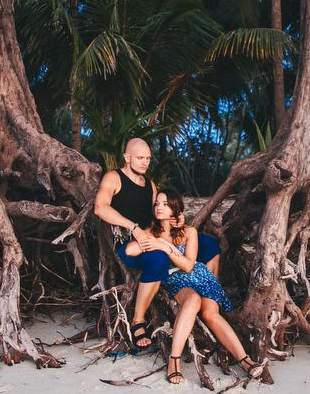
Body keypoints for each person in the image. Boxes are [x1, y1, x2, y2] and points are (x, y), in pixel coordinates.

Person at [93, 139, 222, 352]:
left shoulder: (149, 184)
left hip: (155, 237)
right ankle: (138, 320)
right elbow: (100, 208)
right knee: (159, 258)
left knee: (210, 244)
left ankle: (209, 302)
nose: (145, 162)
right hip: (130, 242)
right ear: (127, 157)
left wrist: (177, 220)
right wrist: (133, 227)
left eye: (148, 158)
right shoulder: (114, 178)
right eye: (140, 158)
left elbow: (160, 209)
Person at [141, 190, 260, 385]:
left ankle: (245, 360)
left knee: (211, 314)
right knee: (193, 299)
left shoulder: (189, 232)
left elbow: (189, 265)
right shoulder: (148, 232)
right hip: (174, 278)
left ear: (175, 208)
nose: (159, 207)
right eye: (156, 204)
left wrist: (165, 247)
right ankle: (174, 359)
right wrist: (163, 245)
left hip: (200, 275)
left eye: (165, 204)